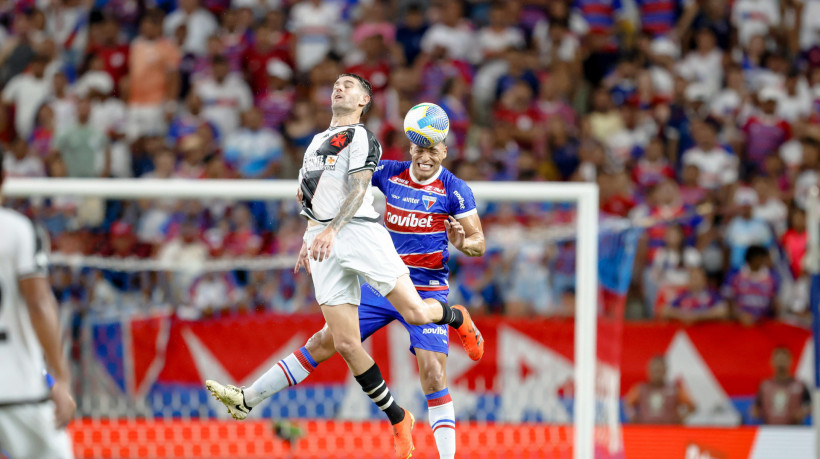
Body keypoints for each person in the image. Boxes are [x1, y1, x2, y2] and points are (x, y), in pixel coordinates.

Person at [207, 74, 483, 459]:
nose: (424, 157)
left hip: (425, 282)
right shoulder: (372, 164)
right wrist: (311, 235)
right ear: (410, 147)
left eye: (432, 150)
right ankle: (247, 399)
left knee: (432, 369)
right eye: (418, 149)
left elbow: (477, 243)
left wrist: (462, 242)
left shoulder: (454, 189)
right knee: (330, 342)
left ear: (444, 152)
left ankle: (456, 319)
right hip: (366, 271)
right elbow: (321, 193)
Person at [0, 155, 76, 457]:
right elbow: (38, 303)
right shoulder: (16, 229)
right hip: (18, 388)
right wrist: (59, 378)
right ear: (5, 177)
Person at [624, 356, 696, 424]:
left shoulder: (674, 389)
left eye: (659, 371)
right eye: (655, 371)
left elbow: (692, 406)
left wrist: (682, 418)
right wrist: (633, 416)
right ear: (649, 371)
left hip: (670, 431)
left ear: (665, 371)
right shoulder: (640, 389)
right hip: (646, 431)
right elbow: (627, 404)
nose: (657, 374)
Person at [752, 347, 811, 425]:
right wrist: (756, 411)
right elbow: (757, 406)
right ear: (772, 361)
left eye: (784, 359)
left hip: (794, 430)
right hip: (770, 430)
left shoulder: (800, 385)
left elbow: (811, 405)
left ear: (790, 361)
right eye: (778, 359)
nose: (781, 362)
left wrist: (803, 412)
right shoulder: (765, 385)